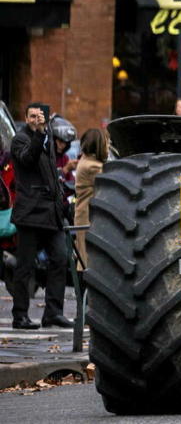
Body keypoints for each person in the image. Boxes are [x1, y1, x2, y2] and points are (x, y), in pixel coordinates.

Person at [9, 102, 71, 329]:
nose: (36, 119)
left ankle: (53, 312)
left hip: (51, 213)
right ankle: (20, 315)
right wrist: (38, 135)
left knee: (60, 258)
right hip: (30, 213)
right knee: (25, 266)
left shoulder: (48, 138)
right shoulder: (21, 139)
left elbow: (52, 175)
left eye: (40, 116)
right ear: (26, 118)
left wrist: (62, 202)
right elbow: (28, 159)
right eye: (32, 116)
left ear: (46, 118)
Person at [73, 129, 107, 268]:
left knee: (85, 255)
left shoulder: (85, 160)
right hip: (87, 215)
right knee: (88, 258)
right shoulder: (92, 166)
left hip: (84, 213)